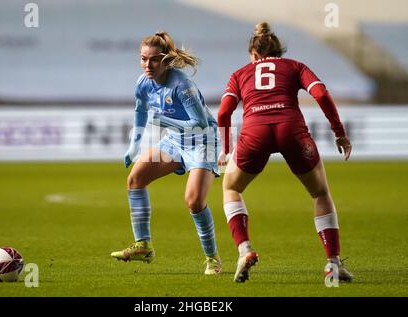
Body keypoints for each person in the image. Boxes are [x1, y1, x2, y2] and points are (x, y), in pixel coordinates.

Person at [217, 22, 354, 283]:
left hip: (254, 131)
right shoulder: (295, 66)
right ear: (278, 52)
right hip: (291, 129)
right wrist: (339, 132)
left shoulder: (240, 74)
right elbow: (321, 93)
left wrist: (226, 149)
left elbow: (223, 113)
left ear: (254, 55)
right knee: (320, 193)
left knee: (231, 188)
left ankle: (244, 249)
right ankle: (333, 264)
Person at [111, 31, 222, 275]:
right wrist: (134, 145)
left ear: (165, 60)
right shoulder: (143, 83)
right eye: (143, 59)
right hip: (175, 141)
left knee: (194, 202)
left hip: (203, 143)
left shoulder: (182, 85)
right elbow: (141, 112)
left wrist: (165, 122)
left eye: (153, 60)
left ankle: (213, 259)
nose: (147, 65)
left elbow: (201, 123)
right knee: (135, 179)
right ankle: (143, 245)